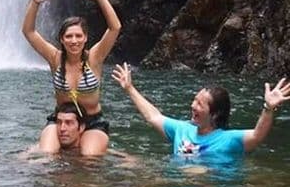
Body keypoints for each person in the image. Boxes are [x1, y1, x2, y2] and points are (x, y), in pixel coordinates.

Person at [21, 0, 121, 156]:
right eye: (68, 36)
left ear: (85, 38)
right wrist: (35, 2)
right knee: (46, 155)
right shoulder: (55, 58)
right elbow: (29, 31)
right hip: (62, 121)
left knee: (89, 158)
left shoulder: (95, 57)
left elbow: (114, 28)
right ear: (62, 39)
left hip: (92, 122)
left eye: (78, 36)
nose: (74, 41)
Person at [112, 63, 290, 157]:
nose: (193, 106)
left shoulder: (229, 139)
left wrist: (268, 108)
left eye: (200, 104)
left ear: (215, 113)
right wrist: (129, 88)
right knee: (127, 159)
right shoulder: (182, 129)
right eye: (194, 100)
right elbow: (153, 116)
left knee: (198, 172)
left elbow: (257, 135)